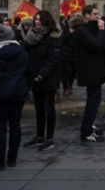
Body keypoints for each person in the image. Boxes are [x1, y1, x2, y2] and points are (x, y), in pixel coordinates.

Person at [0, 24, 30, 171]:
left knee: (0, 126)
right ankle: (12, 159)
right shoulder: (23, 53)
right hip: (19, 93)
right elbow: (29, 73)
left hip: (1, 93)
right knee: (15, 124)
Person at [23, 10, 62, 151]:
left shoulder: (53, 37)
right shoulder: (31, 36)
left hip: (48, 78)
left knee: (48, 108)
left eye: (39, 19)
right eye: (35, 19)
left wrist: (41, 75)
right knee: (38, 108)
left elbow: (53, 60)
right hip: (34, 78)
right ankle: (39, 136)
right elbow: (24, 53)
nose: (36, 22)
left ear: (46, 21)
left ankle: (49, 138)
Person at [73, 5, 105, 143]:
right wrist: (101, 30)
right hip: (91, 71)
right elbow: (96, 45)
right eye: (95, 14)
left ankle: (88, 127)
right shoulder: (82, 31)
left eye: (98, 13)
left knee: (94, 102)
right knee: (93, 103)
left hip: (94, 70)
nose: (98, 16)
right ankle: (86, 131)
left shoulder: (86, 30)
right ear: (87, 15)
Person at [59, 17, 77, 97]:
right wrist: (69, 33)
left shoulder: (77, 29)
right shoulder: (64, 28)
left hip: (74, 53)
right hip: (65, 53)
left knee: (74, 69)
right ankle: (65, 88)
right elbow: (62, 40)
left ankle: (70, 85)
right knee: (65, 71)